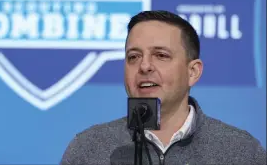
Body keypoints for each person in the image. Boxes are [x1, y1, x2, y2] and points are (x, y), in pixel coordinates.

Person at [60, 10, 266, 165]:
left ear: (193, 72)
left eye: (161, 55)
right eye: (134, 57)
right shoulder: (88, 149)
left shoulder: (241, 152)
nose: (144, 66)